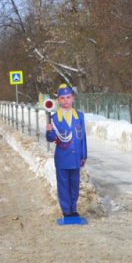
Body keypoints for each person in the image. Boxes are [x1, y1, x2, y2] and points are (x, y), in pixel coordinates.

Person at [45, 84, 87, 219]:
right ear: (58, 100)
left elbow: (83, 137)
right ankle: (66, 210)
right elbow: (51, 139)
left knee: (74, 184)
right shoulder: (54, 118)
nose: (65, 101)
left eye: (68, 97)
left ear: (73, 98)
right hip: (62, 157)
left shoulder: (79, 116)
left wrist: (84, 155)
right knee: (63, 185)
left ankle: (73, 208)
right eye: (62, 98)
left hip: (76, 157)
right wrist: (50, 130)